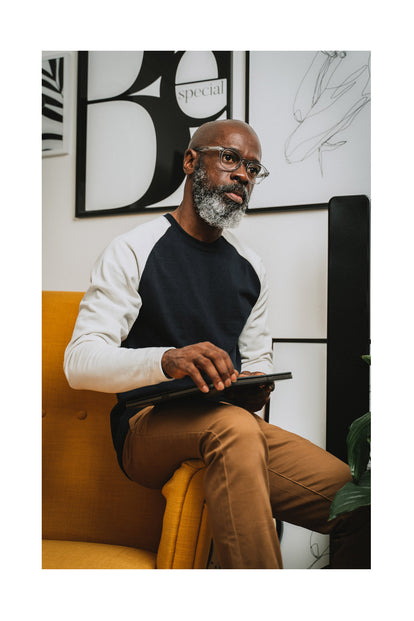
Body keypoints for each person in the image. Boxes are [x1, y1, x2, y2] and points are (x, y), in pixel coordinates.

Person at [64, 119, 370, 569]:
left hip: (225, 420)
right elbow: (79, 362)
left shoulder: (251, 266)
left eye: (253, 168)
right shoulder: (133, 249)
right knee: (235, 429)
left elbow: (259, 357)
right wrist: (167, 361)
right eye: (229, 158)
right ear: (191, 161)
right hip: (144, 425)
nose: (243, 175)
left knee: (358, 500)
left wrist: (254, 384)